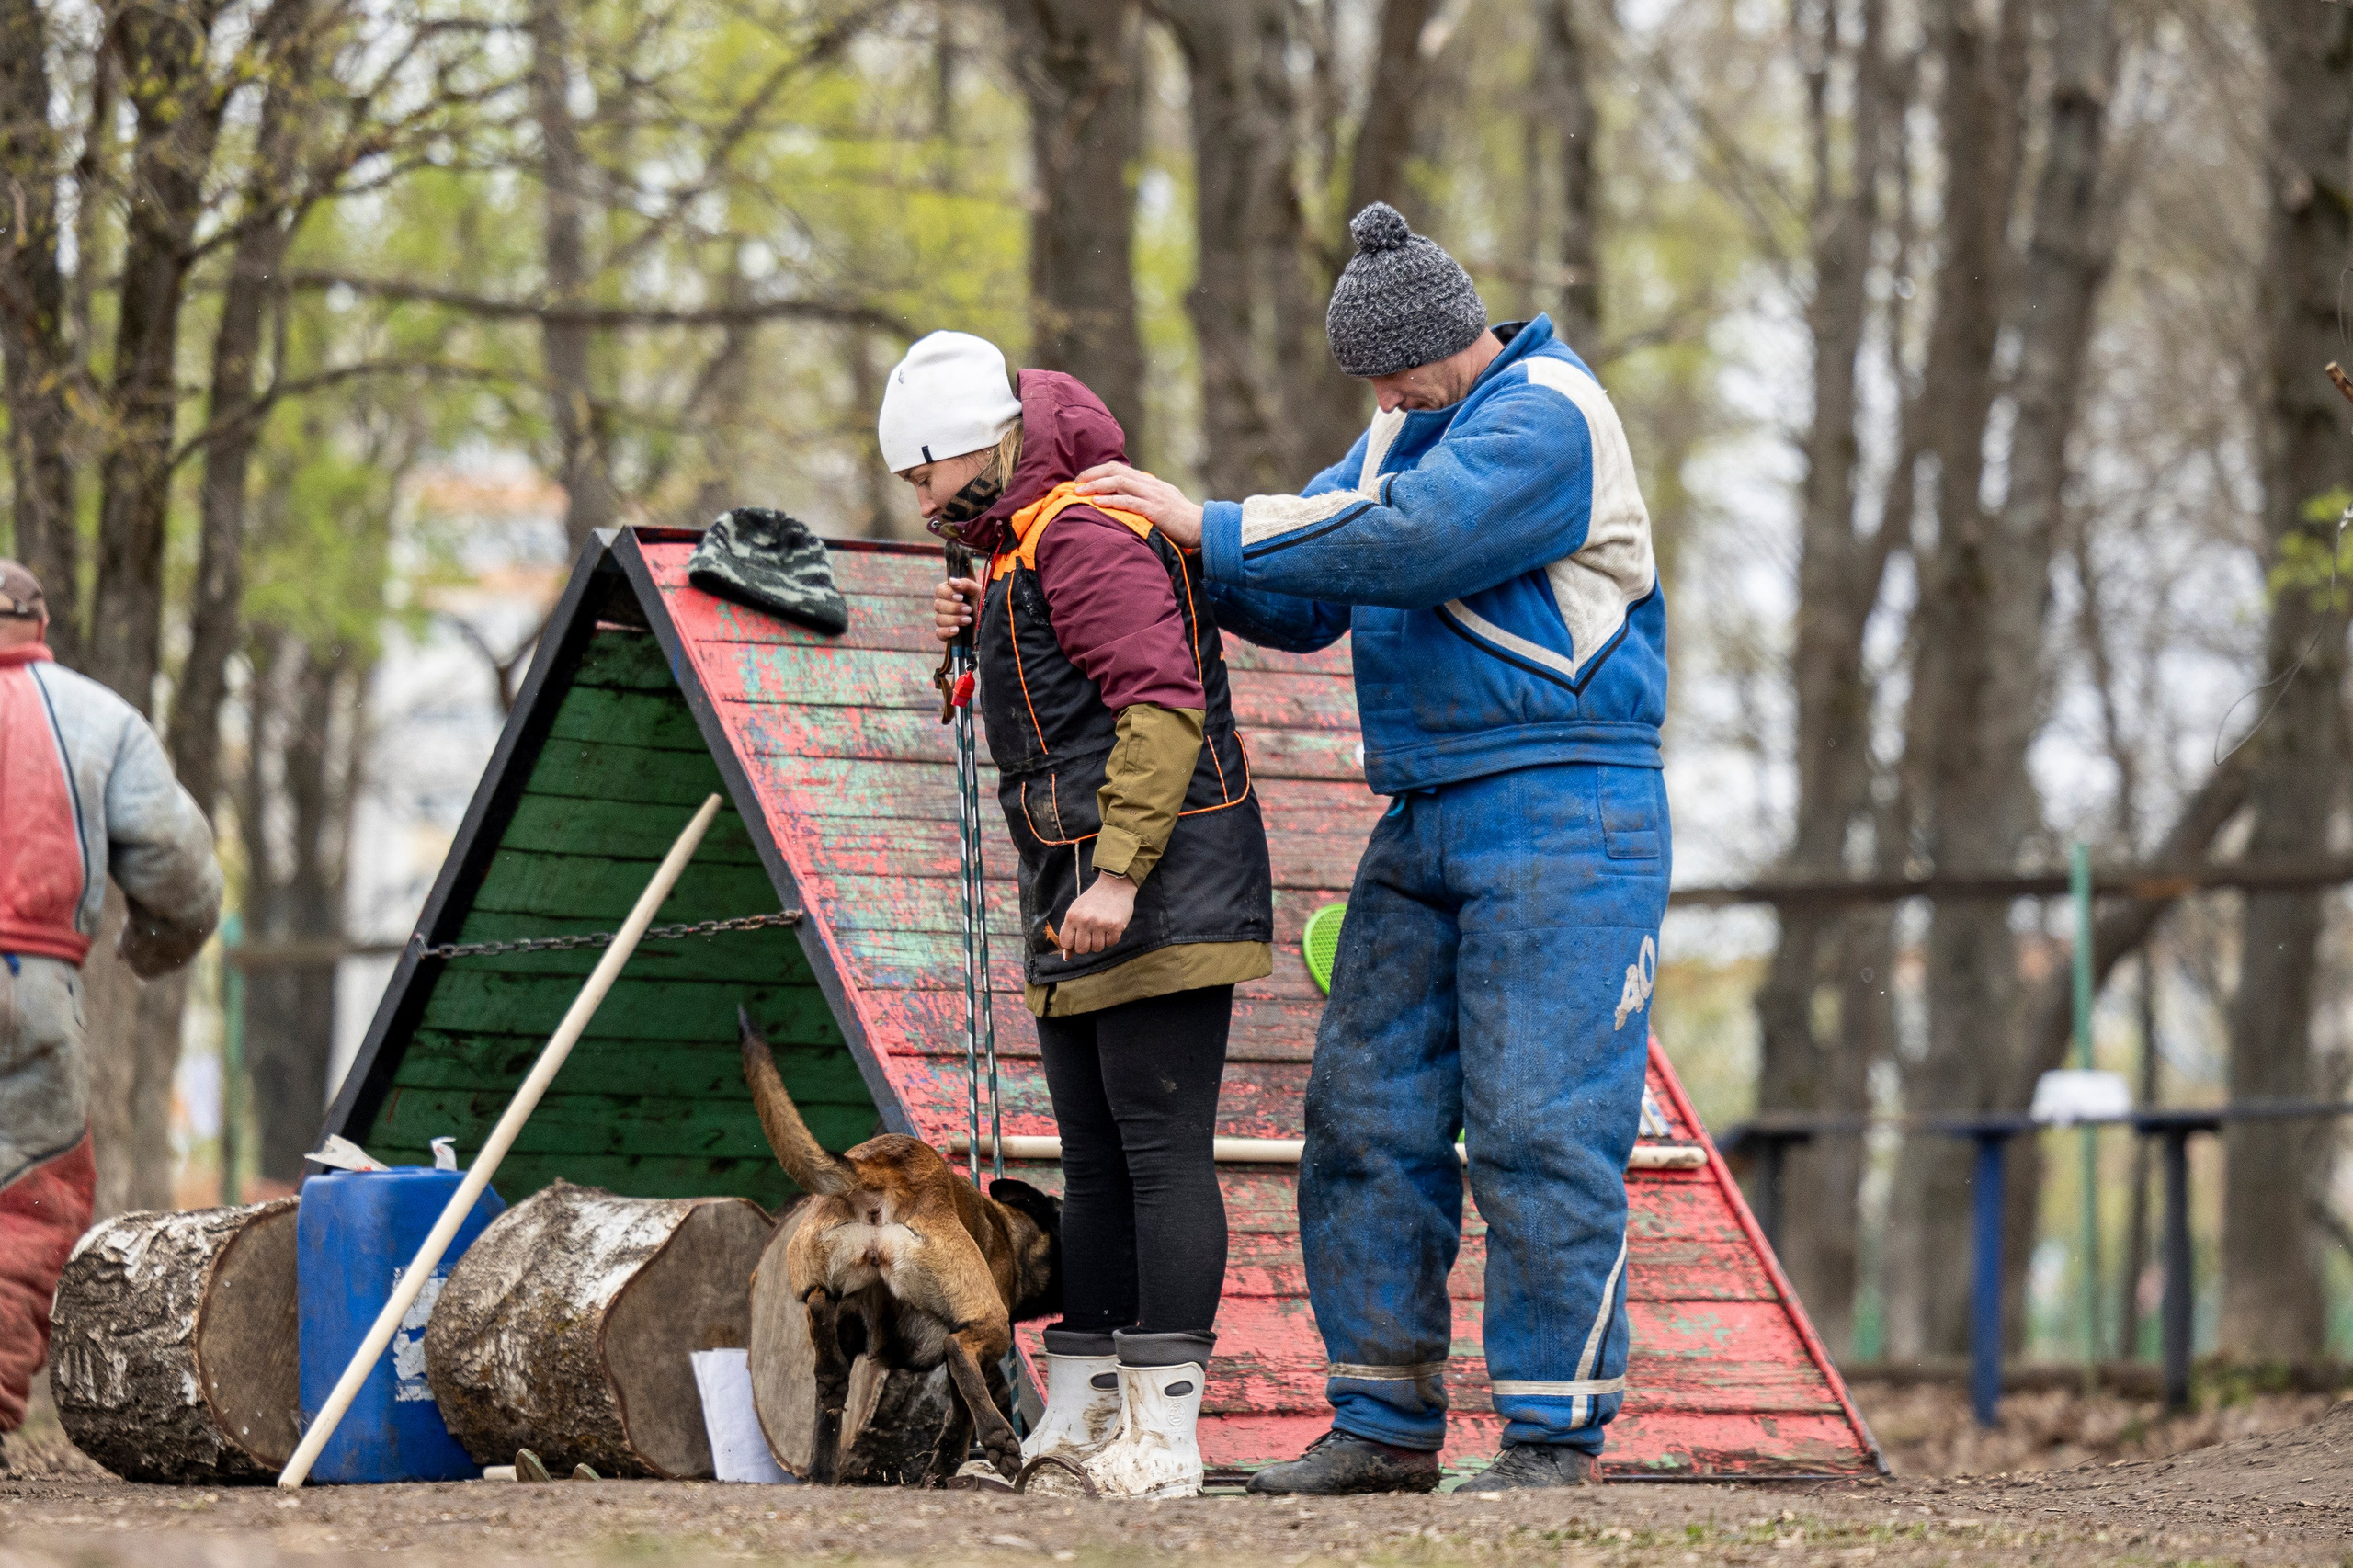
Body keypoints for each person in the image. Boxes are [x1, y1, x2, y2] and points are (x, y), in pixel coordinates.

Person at [1073, 203, 1671, 1493]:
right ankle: (1383, 1421)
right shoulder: (1410, 423)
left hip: (1569, 806)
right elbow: (1307, 593)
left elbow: (1411, 542)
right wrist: (1161, 555)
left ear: (1458, 332)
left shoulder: (1547, 412)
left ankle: (1552, 1434)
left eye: (1396, 371)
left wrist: (1210, 519)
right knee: (1363, 1111)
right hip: (1427, 806)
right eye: (1372, 382)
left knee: (1538, 1128)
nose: (1384, 396)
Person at [880, 334, 1276, 1499]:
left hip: (1154, 882)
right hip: (1074, 886)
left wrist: (1115, 876)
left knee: (1159, 1156)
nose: (921, 500)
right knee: (1094, 1166)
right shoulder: (1016, 549)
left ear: (975, 448)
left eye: (924, 475)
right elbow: (1055, 709)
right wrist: (975, 644)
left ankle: (1165, 1430)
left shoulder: (1087, 534)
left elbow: (1159, 707)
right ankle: (1082, 1409)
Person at [0, 560, 222, 1438]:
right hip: (33, 993)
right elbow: (179, 868)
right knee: (24, 1200)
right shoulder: (96, 717)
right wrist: (153, 948)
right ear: (42, 624)